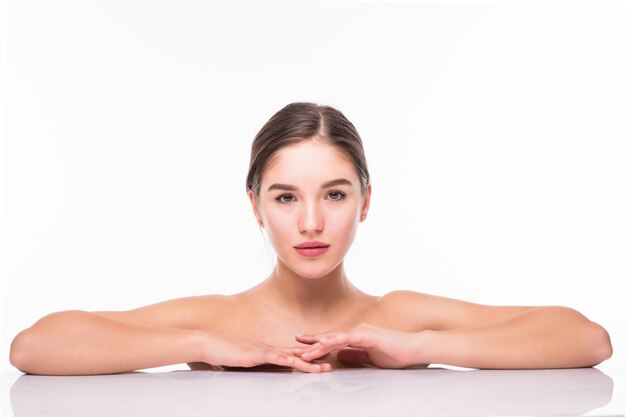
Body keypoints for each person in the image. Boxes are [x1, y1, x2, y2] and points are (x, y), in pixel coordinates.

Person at [9, 102, 613, 375]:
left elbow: (585, 338)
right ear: (255, 207)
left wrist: (413, 345)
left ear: (366, 201)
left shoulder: (395, 316)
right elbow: (35, 348)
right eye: (285, 197)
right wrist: (200, 345)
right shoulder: (220, 319)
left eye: (334, 194)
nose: (311, 224)